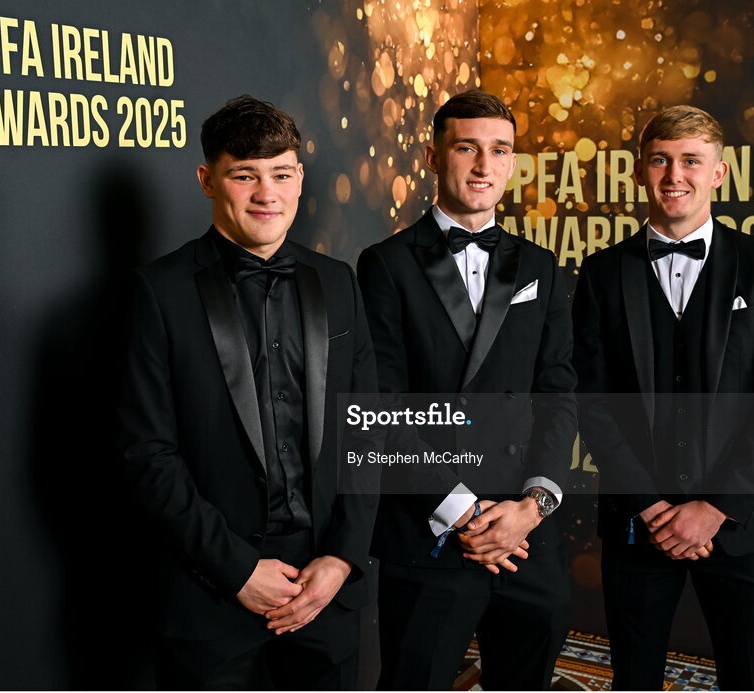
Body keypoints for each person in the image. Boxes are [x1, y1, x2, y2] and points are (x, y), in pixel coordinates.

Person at [117, 95, 378, 690]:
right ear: (208, 180)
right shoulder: (158, 292)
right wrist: (237, 571)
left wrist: (341, 559)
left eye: (281, 174)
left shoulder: (338, 282)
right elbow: (147, 457)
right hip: (210, 599)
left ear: (300, 179)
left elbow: (367, 430)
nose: (267, 194)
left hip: (325, 593)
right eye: (245, 175)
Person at [572, 105, 754, 690]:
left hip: (738, 522)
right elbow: (592, 402)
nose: (675, 175)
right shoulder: (599, 273)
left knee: (748, 679)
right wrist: (650, 506)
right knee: (635, 679)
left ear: (719, 174)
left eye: (691, 161)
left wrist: (715, 507)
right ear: (640, 171)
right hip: (637, 523)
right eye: (660, 160)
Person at [357, 89, 577, 690]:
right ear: (433, 156)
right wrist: (465, 511)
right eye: (467, 148)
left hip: (526, 536)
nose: (484, 165)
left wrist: (534, 506)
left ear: (512, 162)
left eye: (499, 150)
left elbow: (557, 393)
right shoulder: (386, 264)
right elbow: (382, 410)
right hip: (432, 530)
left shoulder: (541, 265)